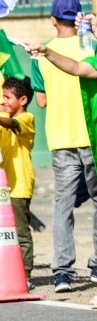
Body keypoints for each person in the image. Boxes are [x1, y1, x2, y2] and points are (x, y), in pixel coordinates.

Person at [31, 0, 97, 292]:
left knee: (63, 203)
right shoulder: (92, 47)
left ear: (53, 20)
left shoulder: (42, 54)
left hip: (61, 137)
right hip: (92, 135)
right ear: (78, 18)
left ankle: (62, 271)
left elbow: (41, 100)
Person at [0, 76, 36, 290]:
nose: (3, 101)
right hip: (4, 187)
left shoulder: (26, 118)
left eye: (7, 97)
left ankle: (27, 275)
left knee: (21, 232)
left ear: (22, 100)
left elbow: (10, 123)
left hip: (19, 186)